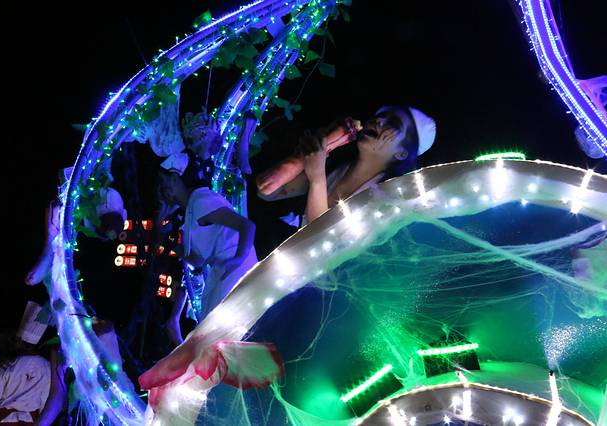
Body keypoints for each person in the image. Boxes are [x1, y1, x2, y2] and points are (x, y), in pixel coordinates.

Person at [258, 105, 437, 225]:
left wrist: (317, 178)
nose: (379, 121)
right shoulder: (336, 165)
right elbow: (267, 191)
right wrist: (325, 143)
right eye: (380, 115)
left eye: (393, 124)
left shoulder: (386, 201)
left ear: (402, 153)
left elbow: (319, 239)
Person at [157, 159, 258, 320]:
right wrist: (166, 238)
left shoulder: (201, 201)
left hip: (234, 267)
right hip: (222, 269)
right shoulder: (190, 213)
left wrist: (238, 258)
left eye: (163, 182)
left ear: (175, 178)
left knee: (218, 325)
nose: (161, 190)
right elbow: (198, 261)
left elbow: (247, 226)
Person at [25, 172, 127, 286]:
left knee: (60, 237)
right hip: (75, 198)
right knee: (55, 232)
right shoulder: (108, 201)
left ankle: (47, 264)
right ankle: (45, 264)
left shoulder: (101, 222)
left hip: (76, 209)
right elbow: (91, 194)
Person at [0, 301, 51, 426]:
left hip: (3, 421)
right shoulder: (47, 367)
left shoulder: (9, 364)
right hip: (29, 422)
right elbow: (44, 403)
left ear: (18, 341)